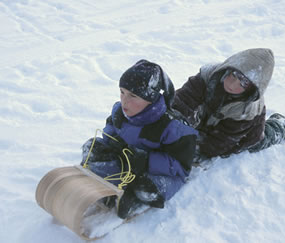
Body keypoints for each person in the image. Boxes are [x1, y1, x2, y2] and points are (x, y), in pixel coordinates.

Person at [81, 59, 198, 219]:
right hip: (128, 160)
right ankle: (107, 186)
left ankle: (134, 198)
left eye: (133, 96)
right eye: (122, 92)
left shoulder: (173, 128)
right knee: (92, 148)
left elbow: (181, 166)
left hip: (157, 172)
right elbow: (111, 128)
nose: (124, 101)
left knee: (146, 187)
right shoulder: (120, 112)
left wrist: (146, 160)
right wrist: (113, 144)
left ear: (150, 99)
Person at [172, 48, 285, 163]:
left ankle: (282, 125)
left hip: (245, 132)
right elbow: (182, 102)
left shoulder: (248, 111)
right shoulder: (208, 76)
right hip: (210, 115)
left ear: (252, 89)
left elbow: (220, 143)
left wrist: (194, 147)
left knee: (259, 139)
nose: (232, 85)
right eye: (233, 75)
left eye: (243, 83)